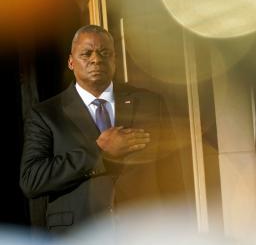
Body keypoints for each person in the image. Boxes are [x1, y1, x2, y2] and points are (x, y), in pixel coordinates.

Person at [20, 25, 185, 234]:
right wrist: (98, 152)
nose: (96, 59)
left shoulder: (150, 103)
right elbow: (31, 180)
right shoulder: (47, 114)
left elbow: (172, 173)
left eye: (104, 53)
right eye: (86, 53)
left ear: (114, 59)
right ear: (71, 62)